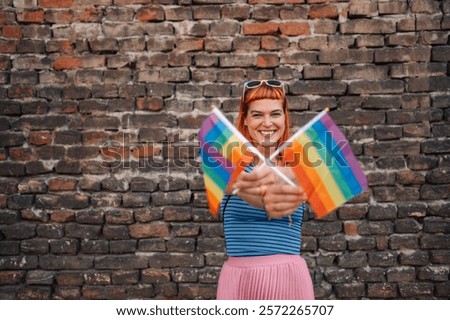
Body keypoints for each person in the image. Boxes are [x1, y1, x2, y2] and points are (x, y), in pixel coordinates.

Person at [216, 79, 315, 300]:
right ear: (246, 120)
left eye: (275, 114)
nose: (267, 123)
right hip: (238, 282)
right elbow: (229, 181)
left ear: (285, 117)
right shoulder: (226, 160)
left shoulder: (301, 163)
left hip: (288, 281)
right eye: (257, 115)